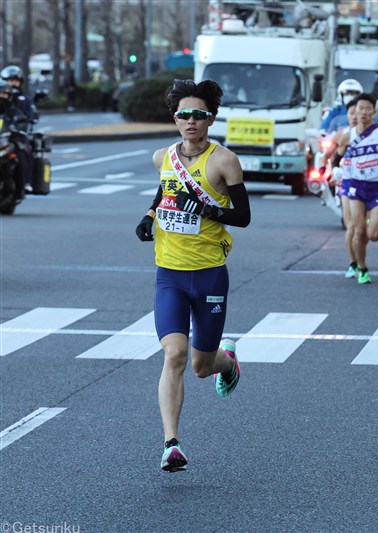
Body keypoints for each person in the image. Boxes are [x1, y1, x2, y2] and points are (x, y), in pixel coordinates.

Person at [134, 79, 251, 472]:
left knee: (201, 366)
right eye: (184, 114)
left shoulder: (224, 161)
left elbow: (243, 217)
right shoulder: (161, 157)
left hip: (209, 275)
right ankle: (171, 444)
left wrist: (206, 211)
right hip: (169, 272)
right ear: (175, 119)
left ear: (210, 119)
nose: (190, 121)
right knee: (175, 354)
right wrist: (150, 216)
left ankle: (227, 362)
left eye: (198, 115)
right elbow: (165, 192)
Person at [332, 93, 378, 284]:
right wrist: (336, 169)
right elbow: (337, 156)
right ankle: (361, 267)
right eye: (359, 109)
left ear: (373, 111)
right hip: (355, 187)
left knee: (374, 234)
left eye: (366, 108)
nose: (362, 112)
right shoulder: (347, 136)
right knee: (358, 229)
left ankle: (360, 257)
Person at [326, 99, 360, 278]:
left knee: (364, 231)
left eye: (359, 111)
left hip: (369, 186)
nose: (355, 116)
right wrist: (335, 171)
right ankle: (353, 263)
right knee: (352, 226)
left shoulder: (376, 133)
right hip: (346, 184)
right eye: (351, 113)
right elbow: (329, 157)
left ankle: (359, 258)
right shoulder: (342, 135)